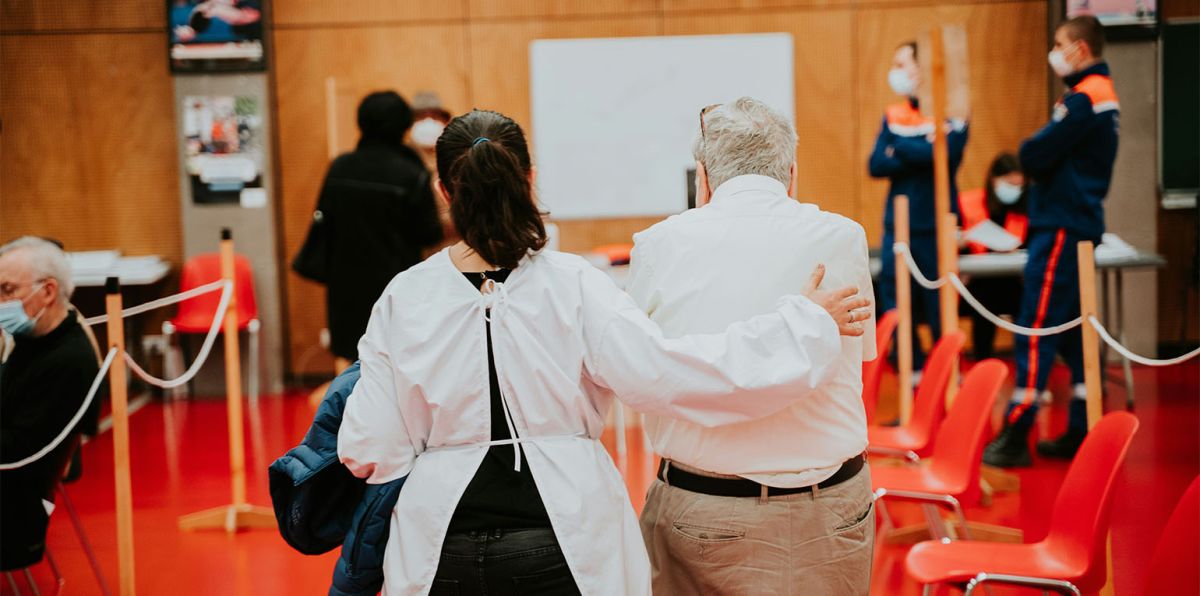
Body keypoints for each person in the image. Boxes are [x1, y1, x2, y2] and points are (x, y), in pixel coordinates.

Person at [337, 109, 871, 594]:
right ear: (529, 179)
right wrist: (803, 325)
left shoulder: (402, 296)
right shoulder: (573, 283)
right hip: (561, 535)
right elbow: (672, 377)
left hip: (439, 543)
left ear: (444, 191)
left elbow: (368, 445)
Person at [629, 97, 877, 595]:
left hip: (705, 507)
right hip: (830, 507)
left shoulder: (659, 244)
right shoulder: (844, 237)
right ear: (791, 172)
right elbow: (860, 357)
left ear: (702, 177)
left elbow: (641, 370)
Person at [983, 15, 1119, 468]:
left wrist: (1036, 155)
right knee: (1074, 332)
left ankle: (1018, 429)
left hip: (1061, 225)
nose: (1056, 52)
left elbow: (1033, 152)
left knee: (1037, 325)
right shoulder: (1102, 96)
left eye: (1060, 44)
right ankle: (1081, 425)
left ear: (1080, 48)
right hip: (1078, 222)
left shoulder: (1083, 100)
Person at [309, 91, 444, 366]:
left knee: (353, 366)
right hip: (396, 288)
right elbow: (428, 233)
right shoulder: (411, 173)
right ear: (404, 126)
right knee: (395, 365)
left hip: (345, 289)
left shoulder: (340, 167)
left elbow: (325, 222)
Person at [870, 40, 969, 380]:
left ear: (921, 69)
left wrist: (901, 147)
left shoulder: (952, 111)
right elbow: (876, 164)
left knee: (939, 311)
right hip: (896, 228)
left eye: (902, 64)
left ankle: (946, 383)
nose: (896, 72)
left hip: (935, 226)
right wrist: (919, 149)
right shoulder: (894, 114)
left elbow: (945, 155)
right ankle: (911, 384)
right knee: (898, 309)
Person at [0, 237, 101, 570]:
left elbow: (18, 452)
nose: (1, 302)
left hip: (14, 513)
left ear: (47, 291)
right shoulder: (33, 340)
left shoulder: (69, 360)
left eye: (7, 290)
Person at [959, 152, 1029, 360]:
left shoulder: (1026, 209)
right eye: (1009, 183)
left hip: (1014, 280)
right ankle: (982, 360)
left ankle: (1025, 368)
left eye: (1019, 185)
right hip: (978, 281)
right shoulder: (969, 202)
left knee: (1027, 304)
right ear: (994, 179)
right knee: (984, 299)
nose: (1014, 190)